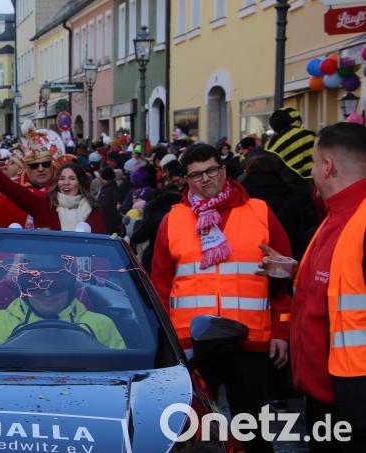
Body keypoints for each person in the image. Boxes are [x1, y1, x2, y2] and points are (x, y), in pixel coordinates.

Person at [150, 144, 292, 453]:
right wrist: (166, 342)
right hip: (192, 345)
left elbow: (282, 282)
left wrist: (281, 330)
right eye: (196, 174)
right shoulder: (173, 220)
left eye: (211, 170)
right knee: (193, 435)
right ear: (186, 180)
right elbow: (160, 286)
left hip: (248, 341)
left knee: (253, 432)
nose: (205, 179)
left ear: (224, 170)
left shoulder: (259, 212)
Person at [287, 123, 366, 453]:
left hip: (354, 401)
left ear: (327, 166)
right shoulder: (336, 216)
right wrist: (295, 272)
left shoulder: (357, 219)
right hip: (329, 395)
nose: (311, 173)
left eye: (313, 163)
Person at [0, 133, 105, 233]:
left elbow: (102, 247)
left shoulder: (93, 209)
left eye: (72, 179)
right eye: (62, 179)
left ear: (80, 182)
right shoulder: (44, 205)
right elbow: (5, 185)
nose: (66, 183)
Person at [0, 270, 125, 348]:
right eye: (36, 286)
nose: (47, 293)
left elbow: (120, 375)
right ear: (25, 290)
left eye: (56, 285)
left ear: (70, 288)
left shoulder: (102, 325)